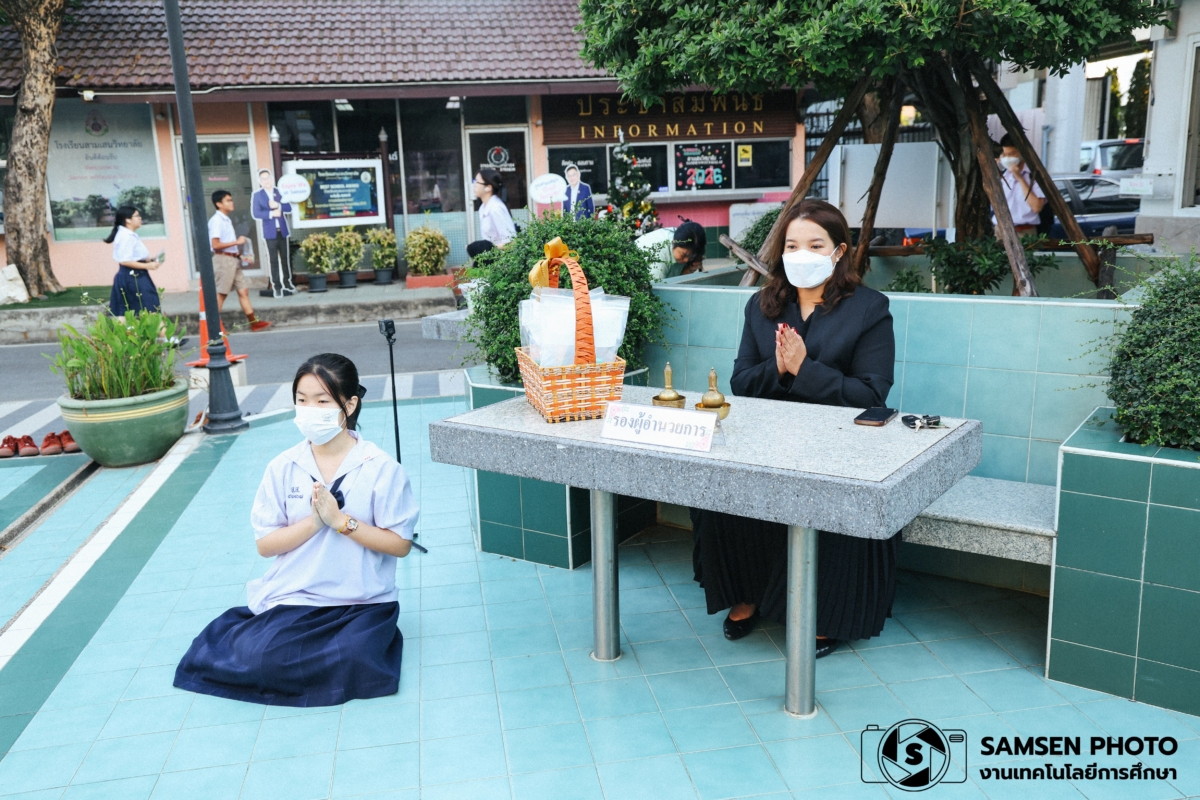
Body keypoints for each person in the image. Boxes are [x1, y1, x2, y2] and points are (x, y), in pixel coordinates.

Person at [691, 199, 896, 659]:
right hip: (770, 439)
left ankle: (828, 612)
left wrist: (805, 369)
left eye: (815, 245)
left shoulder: (869, 309)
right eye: (792, 245)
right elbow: (742, 382)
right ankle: (745, 591)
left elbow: (872, 392)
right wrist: (781, 370)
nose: (802, 254)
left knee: (840, 502)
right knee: (721, 488)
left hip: (839, 448)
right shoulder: (762, 306)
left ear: (839, 251)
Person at [174, 353, 418, 706]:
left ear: (349, 405)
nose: (309, 410)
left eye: (322, 401)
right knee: (261, 659)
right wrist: (315, 522)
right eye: (302, 400)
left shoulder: (380, 468)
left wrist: (341, 523)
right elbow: (266, 545)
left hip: (362, 601)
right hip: (298, 596)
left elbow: (400, 545)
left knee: (353, 659)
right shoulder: (284, 466)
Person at [209, 190, 270, 331]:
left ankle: (254, 323)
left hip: (231, 259)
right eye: (228, 200)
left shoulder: (226, 219)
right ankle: (213, 327)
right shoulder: (216, 221)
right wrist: (236, 242)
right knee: (221, 294)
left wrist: (238, 254)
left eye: (231, 200)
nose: (232, 203)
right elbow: (215, 245)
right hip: (223, 260)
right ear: (219, 204)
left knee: (243, 291)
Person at [105, 205, 162, 316]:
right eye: (137, 216)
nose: (140, 218)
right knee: (150, 307)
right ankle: (160, 328)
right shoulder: (126, 236)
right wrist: (147, 266)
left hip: (134, 274)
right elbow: (125, 261)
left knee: (129, 311)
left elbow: (133, 257)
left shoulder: (129, 235)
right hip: (132, 276)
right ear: (128, 220)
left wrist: (149, 260)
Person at [251, 169, 295, 299]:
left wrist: (278, 206)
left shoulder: (279, 191)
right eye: (263, 179)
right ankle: (277, 286)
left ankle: (287, 282)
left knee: (285, 258)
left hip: (282, 231)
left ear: (272, 178)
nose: (266, 181)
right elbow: (256, 213)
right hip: (270, 232)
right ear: (260, 181)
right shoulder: (257, 195)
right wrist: (271, 213)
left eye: (268, 177)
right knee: (273, 260)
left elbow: (289, 207)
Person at [996, 133, 1046, 236]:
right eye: (1005, 154)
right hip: (1000, 230)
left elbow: (1037, 207)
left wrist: (1020, 178)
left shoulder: (1034, 176)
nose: (1007, 158)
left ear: (1022, 152)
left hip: (1023, 232)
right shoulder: (1005, 175)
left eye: (1012, 154)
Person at [466, 168, 516, 258]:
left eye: (477, 182)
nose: (474, 185)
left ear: (488, 188)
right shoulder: (483, 207)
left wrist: (487, 249)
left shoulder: (496, 208)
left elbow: (512, 242)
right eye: (474, 181)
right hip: (491, 259)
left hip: (502, 260)